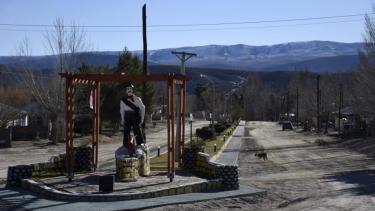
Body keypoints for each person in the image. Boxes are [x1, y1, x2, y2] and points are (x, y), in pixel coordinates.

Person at [120, 83, 145, 156]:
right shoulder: (122, 100)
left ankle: (140, 144)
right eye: (127, 89)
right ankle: (125, 144)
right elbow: (121, 110)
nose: (129, 90)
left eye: (130, 89)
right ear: (125, 91)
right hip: (127, 116)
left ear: (133, 90)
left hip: (135, 116)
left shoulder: (137, 99)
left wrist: (142, 118)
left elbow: (143, 108)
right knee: (126, 130)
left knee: (137, 129)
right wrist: (122, 119)